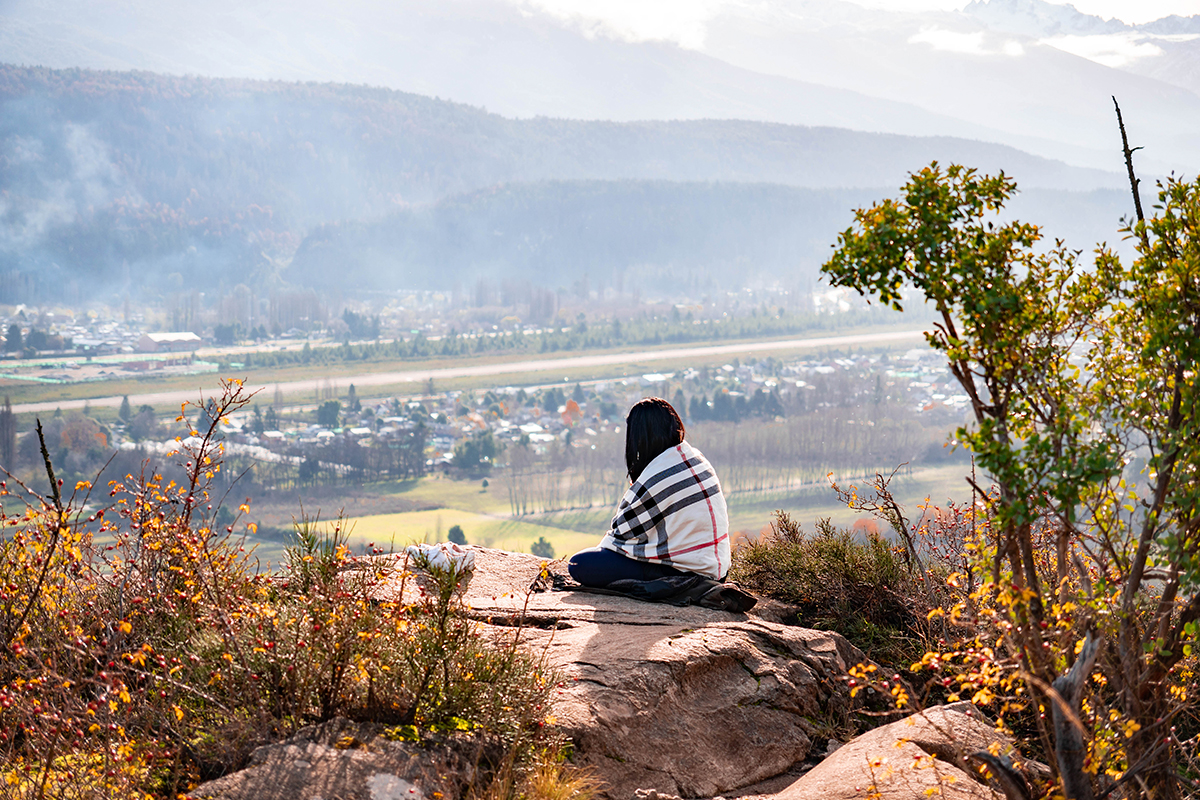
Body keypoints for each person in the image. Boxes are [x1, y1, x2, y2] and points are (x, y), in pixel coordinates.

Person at [568, 396, 730, 587]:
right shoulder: (693, 458)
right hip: (717, 569)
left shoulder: (659, 474)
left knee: (579, 564)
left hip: (686, 572)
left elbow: (622, 533)